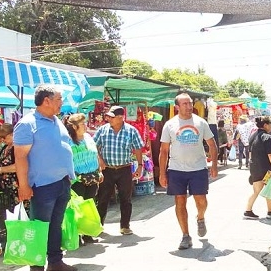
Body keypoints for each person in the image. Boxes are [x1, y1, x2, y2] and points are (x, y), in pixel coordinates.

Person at [13, 85, 78, 271]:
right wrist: (23, 185)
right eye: (59, 99)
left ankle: (55, 261)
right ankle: (36, 267)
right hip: (42, 185)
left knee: (56, 225)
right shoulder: (27, 124)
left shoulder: (56, 120)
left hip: (62, 182)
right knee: (40, 227)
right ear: (46, 100)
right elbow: (20, 157)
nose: (62, 103)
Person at [159, 91, 218, 250]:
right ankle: (185, 235)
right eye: (185, 104)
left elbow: (212, 144)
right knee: (180, 200)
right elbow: (164, 151)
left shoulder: (201, 123)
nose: (189, 106)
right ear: (177, 107)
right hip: (176, 170)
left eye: (190, 103)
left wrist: (214, 165)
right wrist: (162, 173)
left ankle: (200, 217)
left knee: (201, 200)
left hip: (198, 168)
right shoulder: (169, 125)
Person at [93, 106, 145, 236]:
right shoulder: (102, 130)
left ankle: (125, 226)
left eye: (111, 116)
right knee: (103, 198)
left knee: (126, 199)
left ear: (121, 118)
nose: (108, 118)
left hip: (124, 169)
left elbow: (138, 148)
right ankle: (99, 225)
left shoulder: (131, 131)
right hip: (107, 170)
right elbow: (94, 146)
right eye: (108, 116)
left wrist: (139, 166)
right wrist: (100, 159)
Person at [65, 113, 102, 244]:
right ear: (74, 127)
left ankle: (88, 234)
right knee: (77, 208)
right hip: (77, 180)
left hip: (92, 177)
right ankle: (77, 236)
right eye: (82, 124)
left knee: (90, 205)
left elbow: (95, 154)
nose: (85, 126)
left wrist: (99, 171)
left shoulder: (88, 137)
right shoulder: (68, 141)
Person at [244, 116, 271, 220]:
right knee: (270, 189)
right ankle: (270, 211)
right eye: (270, 124)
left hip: (255, 167)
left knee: (256, 191)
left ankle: (248, 210)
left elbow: (250, 153)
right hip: (267, 168)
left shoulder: (252, 136)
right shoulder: (268, 137)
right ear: (265, 125)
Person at [0, 123, 20, 205]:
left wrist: (0, 170)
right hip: (5, 187)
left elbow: (18, 166)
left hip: (16, 186)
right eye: (1, 138)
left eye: (4, 137)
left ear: (12, 134)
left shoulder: (17, 148)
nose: (2, 140)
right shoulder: (5, 147)